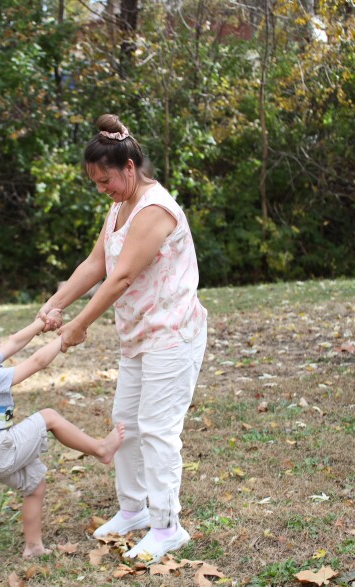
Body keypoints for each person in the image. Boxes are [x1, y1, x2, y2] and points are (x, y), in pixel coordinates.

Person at [38, 113, 208, 564]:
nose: (102, 189)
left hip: (172, 334)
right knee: (125, 422)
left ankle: (167, 525)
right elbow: (96, 266)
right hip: (138, 334)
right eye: (95, 182)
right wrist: (57, 303)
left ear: (129, 168)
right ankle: (133, 510)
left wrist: (80, 325)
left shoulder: (155, 209)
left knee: (157, 430)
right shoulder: (119, 208)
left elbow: (123, 276)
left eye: (105, 179)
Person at [0, 310, 125, 558]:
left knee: (35, 485)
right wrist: (63, 338)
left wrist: (40, 324)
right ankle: (100, 449)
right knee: (49, 417)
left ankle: (33, 547)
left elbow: (14, 341)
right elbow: (37, 362)